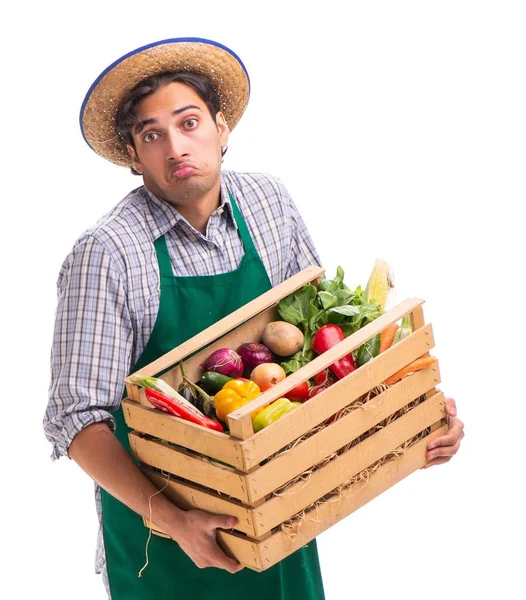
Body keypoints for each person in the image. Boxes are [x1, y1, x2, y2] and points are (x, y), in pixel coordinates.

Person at [44, 37, 465, 600]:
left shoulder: (267, 202)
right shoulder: (109, 253)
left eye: (189, 122)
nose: (175, 147)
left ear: (222, 128)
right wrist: (176, 523)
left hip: (282, 507)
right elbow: (77, 422)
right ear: (133, 154)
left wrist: (407, 418)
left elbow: (320, 350)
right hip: (168, 542)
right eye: (152, 135)